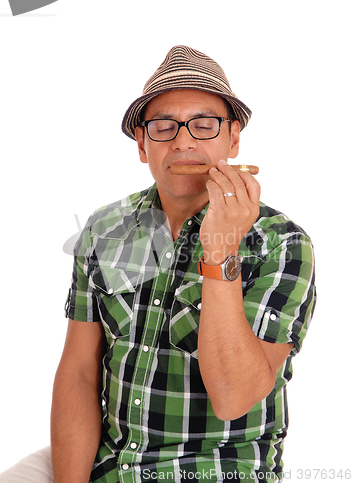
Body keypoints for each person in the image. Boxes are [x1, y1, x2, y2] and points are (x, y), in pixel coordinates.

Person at [0, 45, 316, 483]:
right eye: (163, 127)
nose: (183, 141)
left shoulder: (282, 243)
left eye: (204, 125)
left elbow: (233, 397)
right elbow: (77, 370)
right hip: (109, 456)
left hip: (213, 468)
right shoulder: (106, 228)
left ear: (234, 138)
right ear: (142, 144)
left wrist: (220, 250)